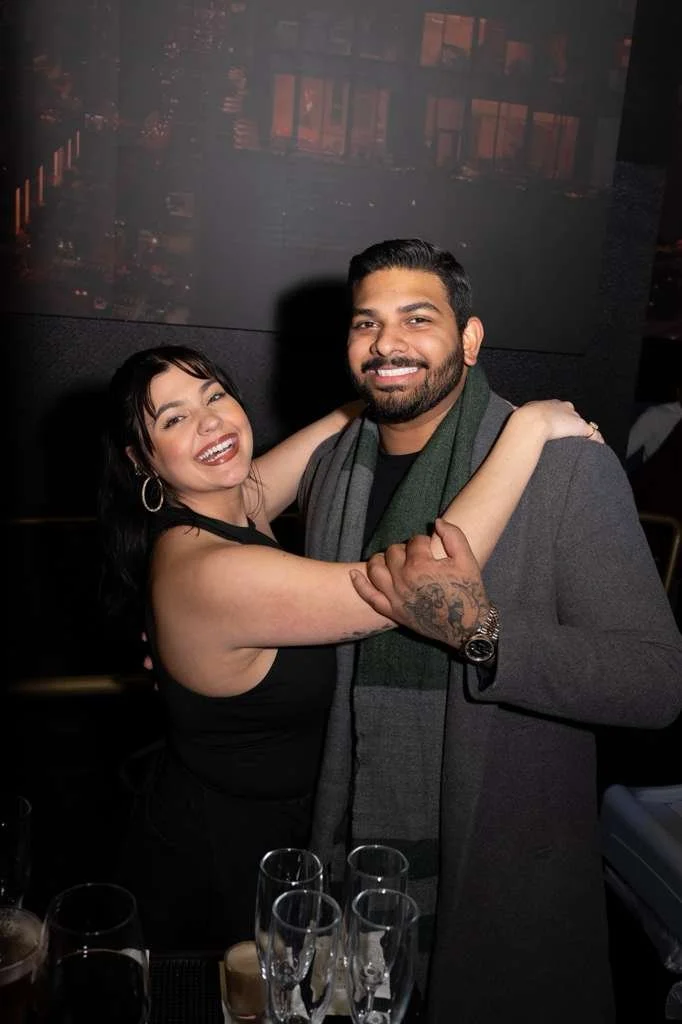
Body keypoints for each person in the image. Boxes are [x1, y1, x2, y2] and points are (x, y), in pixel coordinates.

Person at [99, 343, 600, 952]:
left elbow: (346, 418)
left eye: (214, 395)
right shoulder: (207, 571)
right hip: (218, 861)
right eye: (172, 419)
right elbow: (421, 588)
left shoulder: (240, 498)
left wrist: (406, 363)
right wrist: (529, 426)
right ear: (140, 461)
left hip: (277, 833)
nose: (209, 422)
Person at [297, 239, 682, 1024]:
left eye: (417, 318)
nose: (387, 343)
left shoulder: (569, 468)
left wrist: (484, 634)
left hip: (503, 885)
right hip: (341, 876)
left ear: (470, 340)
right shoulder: (333, 469)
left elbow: (657, 683)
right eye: (366, 323)